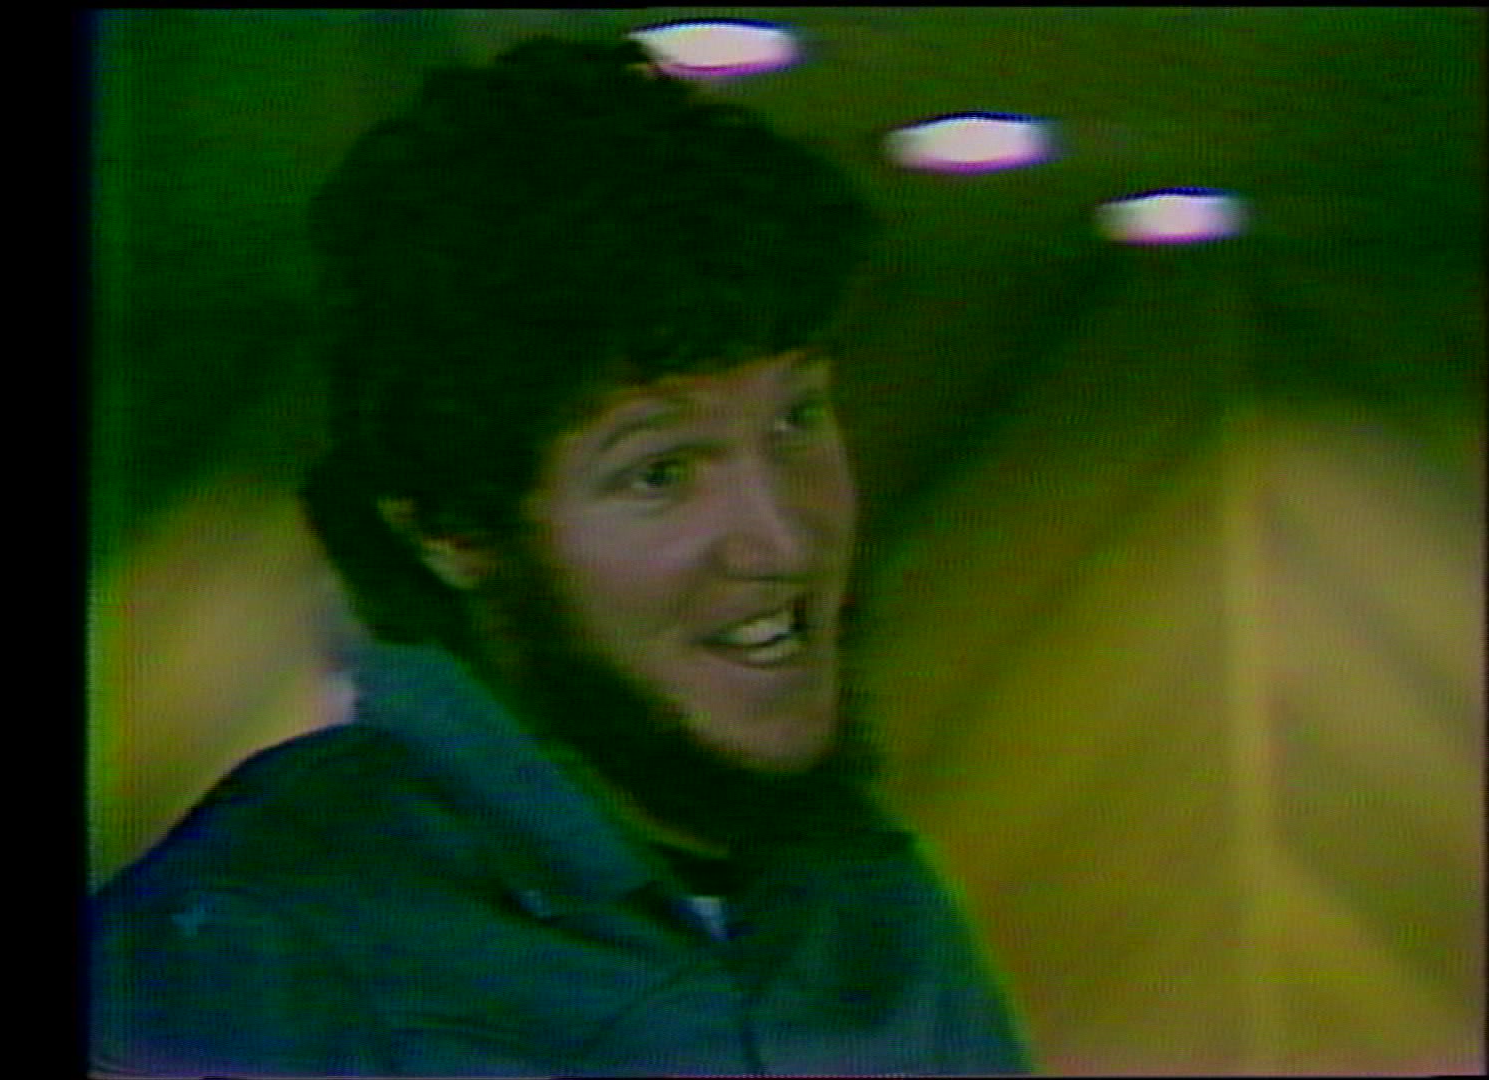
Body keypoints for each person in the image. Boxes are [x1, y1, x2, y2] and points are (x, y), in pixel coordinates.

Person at [89, 35, 1032, 1078]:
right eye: (661, 472)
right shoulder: (250, 952)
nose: (784, 537)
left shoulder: (870, 908)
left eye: (796, 418)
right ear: (453, 529)